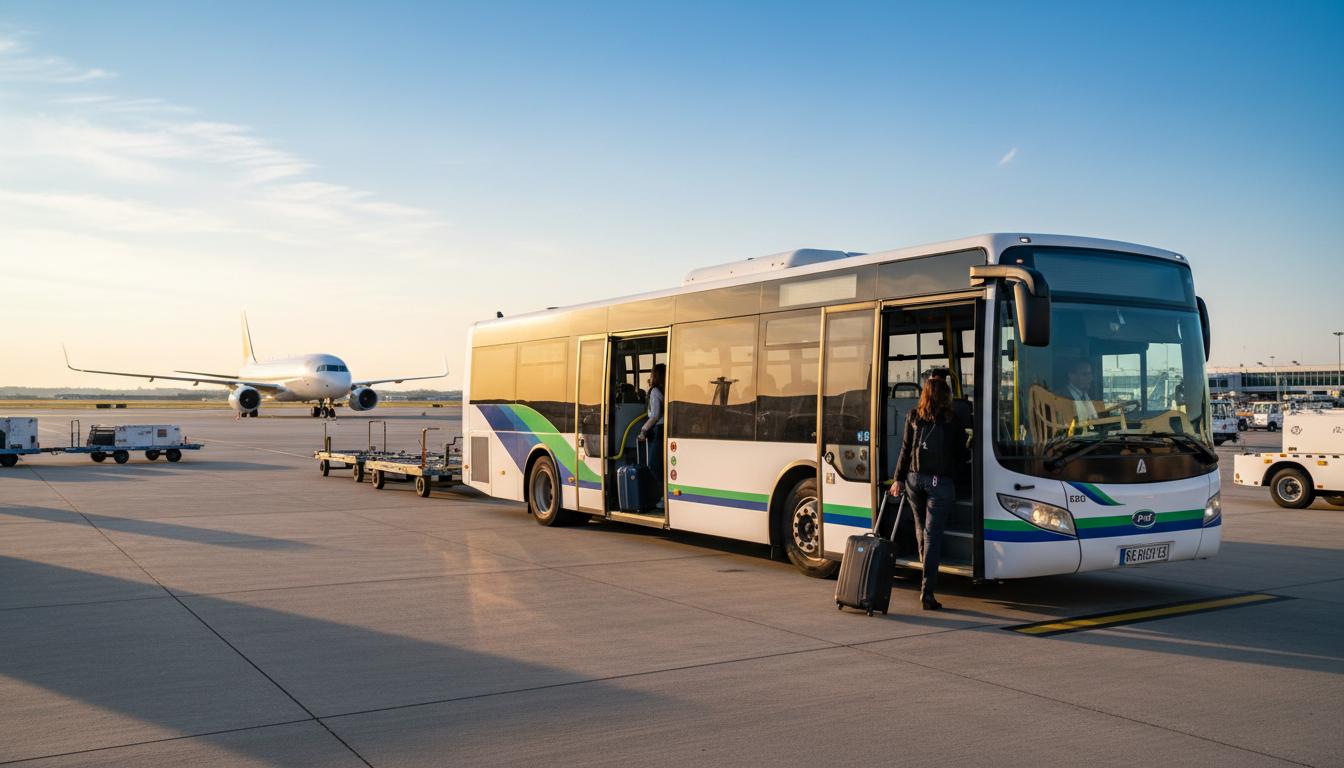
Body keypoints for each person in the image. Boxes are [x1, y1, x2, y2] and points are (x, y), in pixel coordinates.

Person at [889, 373, 967, 610]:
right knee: (933, 536)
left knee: (921, 529)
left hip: (914, 480)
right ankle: (927, 591)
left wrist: (897, 480)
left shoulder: (913, 416)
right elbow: (961, 456)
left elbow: (905, 450)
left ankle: (925, 572)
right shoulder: (953, 420)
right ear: (946, 395)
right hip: (939, 483)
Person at [637, 363, 665, 510]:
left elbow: (654, 415)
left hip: (658, 430)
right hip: (664, 430)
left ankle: (663, 495)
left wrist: (643, 430)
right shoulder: (665, 390)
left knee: (654, 464)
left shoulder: (654, 391)